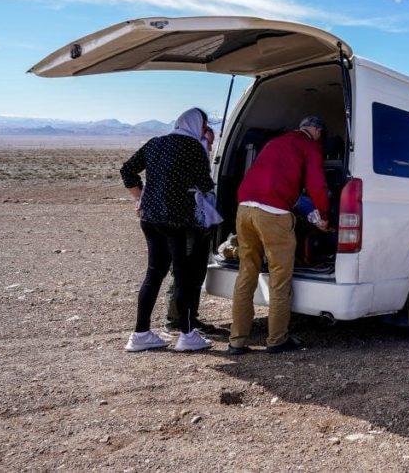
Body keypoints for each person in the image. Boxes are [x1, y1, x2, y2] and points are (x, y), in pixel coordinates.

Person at [229, 116, 330, 355]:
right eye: (321, 134)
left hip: (244, 209)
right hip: (273, 212)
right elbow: (316, 184)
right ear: (315, 130)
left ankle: (237, 341)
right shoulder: (309, 145)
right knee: (280, 277)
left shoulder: (276, 142)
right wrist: (323, 214)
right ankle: (277, 339)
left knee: (247, 274)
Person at [121, 107, 216, 352]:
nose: (204, 132)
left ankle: (140, 333)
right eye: (204, 128)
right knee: (183, 275)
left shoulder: (155, 143)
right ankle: (186, 335)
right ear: (198, 125)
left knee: (154, 274)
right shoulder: (192, 147)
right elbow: (205, 184)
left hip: (150, 218)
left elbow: (127, 170)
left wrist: (141, 197)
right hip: (177, 220)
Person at [164, 124, 215, 332]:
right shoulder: (184, 161)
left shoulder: (199, 161)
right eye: (207, 142)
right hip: (185, 223)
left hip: (198, 222)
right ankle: (177, 319)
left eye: (212, 143)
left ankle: (188, 317)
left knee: (195, 270)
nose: (210, 148)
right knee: (182, 270)